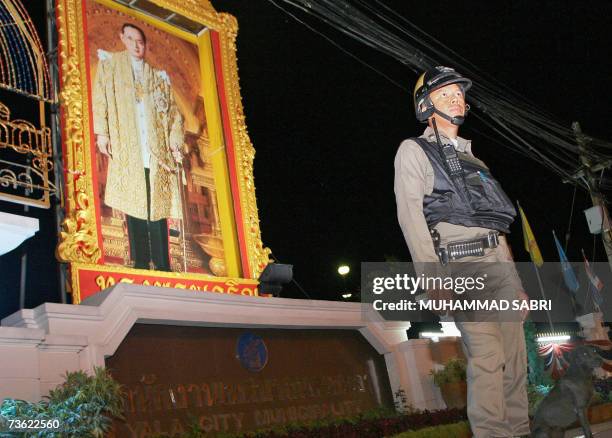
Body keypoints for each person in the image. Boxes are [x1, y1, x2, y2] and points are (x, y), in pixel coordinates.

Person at [394, 66, 530, 437]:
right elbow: (411, 217)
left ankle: (520, 432)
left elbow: (495, 227)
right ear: (425, 105)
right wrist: (432, 277)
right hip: (462, 266)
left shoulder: (476, 161)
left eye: (459, 92)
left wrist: (515, 283)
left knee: (516, 363)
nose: (457, 97)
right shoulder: (414, 150)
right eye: (445, 93)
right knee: (488, 358)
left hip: (497, 267)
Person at [92, 23, 184, 271]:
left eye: (140, 41)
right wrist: (102, 133)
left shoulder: (158, 76)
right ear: (122, 38)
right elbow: (100, 98)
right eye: (131, 39)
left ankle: (164, 265)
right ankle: (141, 262)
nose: (136, 45)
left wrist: (175, 143)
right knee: (135, 205)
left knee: (158, 208)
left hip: (156, 155)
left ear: (145, 45)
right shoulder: (110, 65)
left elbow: (175, 115)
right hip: (128, 149)